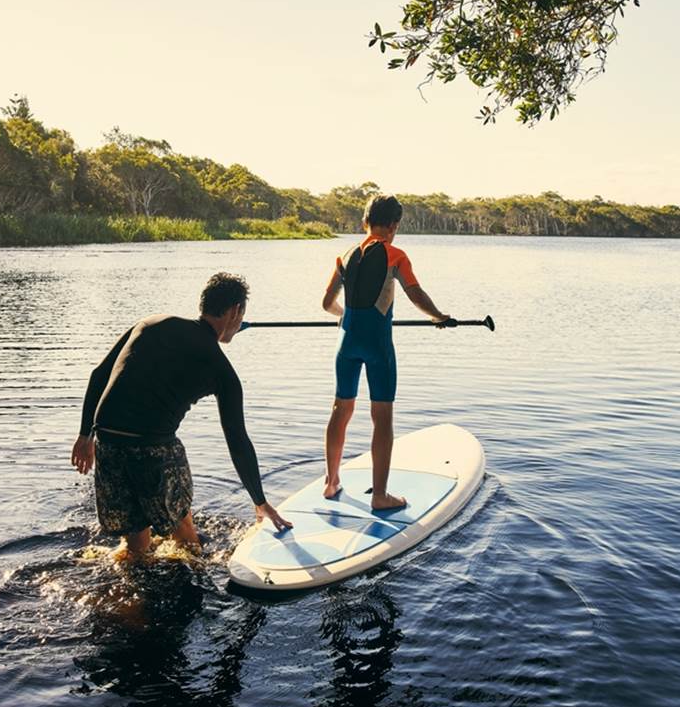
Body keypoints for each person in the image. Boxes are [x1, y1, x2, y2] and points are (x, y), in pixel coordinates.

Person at [72, 272, 293, 559]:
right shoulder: (220, 368)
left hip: (108, 443)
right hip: (153, 448)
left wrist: (85, 434)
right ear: (236, 311)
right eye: (241, 316)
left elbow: (99, 374)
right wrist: (260, 501)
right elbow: (237, 440)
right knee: (183, 527)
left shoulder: (151, 323)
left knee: (136, 541)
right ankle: (198, 571)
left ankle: (131, 590)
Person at [321, 194, 452, 510]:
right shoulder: (396, 256)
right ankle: (379, 496)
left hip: (346, 343)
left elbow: (326, 304)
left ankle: (331, 482)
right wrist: (439, 317)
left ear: (364, 222)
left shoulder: (344, 256)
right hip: (378, 345)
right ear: (394, 225)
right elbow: (415, 294)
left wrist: (344, 316)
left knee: (341, 410)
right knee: (382, 416)